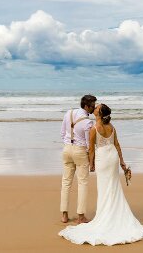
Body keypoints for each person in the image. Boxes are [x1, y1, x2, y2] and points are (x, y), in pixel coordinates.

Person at [58, 104, 143, 245]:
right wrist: (122, 162)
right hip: (112, 157)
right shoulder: (112, 127)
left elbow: (91, 149)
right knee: (113, 186)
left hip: (102, 159)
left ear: (99, 114)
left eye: (97, 108)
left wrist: (91, 163)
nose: (94, 109)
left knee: (104, 188)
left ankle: (106, 215)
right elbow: (117, 144)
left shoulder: (94, 129)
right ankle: (115, 213)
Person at [60, 94, 96, 224]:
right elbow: (89, 145)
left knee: (66, 182)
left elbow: (62, 133)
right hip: (80, 151)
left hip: (67, 149)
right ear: (86, 106)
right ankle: (81, 216)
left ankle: (64, 215)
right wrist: (91, 161)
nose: (94, 108)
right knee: (82, 183)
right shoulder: (88, 123)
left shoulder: (68, 113)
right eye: (92, 106)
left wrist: (67, 144)